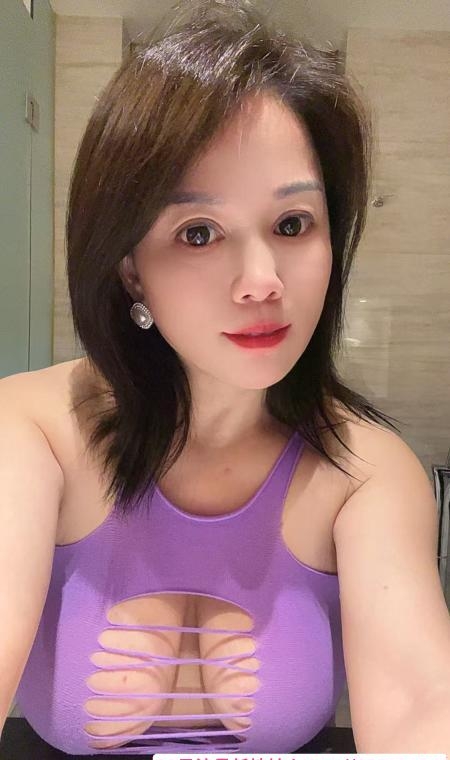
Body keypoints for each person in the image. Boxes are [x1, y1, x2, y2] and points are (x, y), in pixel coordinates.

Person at [1, 0, 449, 754]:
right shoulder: (25, 431)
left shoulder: (367, 469)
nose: (262, 280)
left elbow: (420, 702)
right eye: (199, 232)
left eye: (293, 224)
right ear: (129, 270)